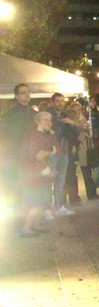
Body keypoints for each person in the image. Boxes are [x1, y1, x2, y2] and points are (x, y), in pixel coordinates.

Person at [0, 83, 36, 223]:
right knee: (17, 190)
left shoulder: (33, 113)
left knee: (31, 190)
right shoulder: (11, 115)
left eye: (28, 92)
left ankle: (30, 221)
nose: (27, 95)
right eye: (23, 92)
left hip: (31, 157)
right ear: (16, 96)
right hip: (17, 157)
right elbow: (8, 136)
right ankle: (19, 223)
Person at [19, 112, 59, 236]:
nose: (48, 122)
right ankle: (26, 228)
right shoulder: (34, 135)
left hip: (43, 174)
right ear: (37, 121)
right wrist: (47, 171)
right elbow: (34, 156)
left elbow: (57, 148)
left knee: (43, 201)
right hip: (35, 175)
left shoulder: (48, 134)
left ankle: (35, 225)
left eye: (50, 120)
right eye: (45, 120)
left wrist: (48, 152)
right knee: (36, 202)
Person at [48, 93, 77, 216]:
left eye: (62, 101)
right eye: (57, 101)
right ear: (53, 102)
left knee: (60, 181)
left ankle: (59, 205)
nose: (60, 103)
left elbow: (72, 134)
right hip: (51, 152)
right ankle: (46, 208)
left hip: (64, 151)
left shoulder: (65, 115)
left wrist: (72, 124)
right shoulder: (48, 115)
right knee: (48, 180)